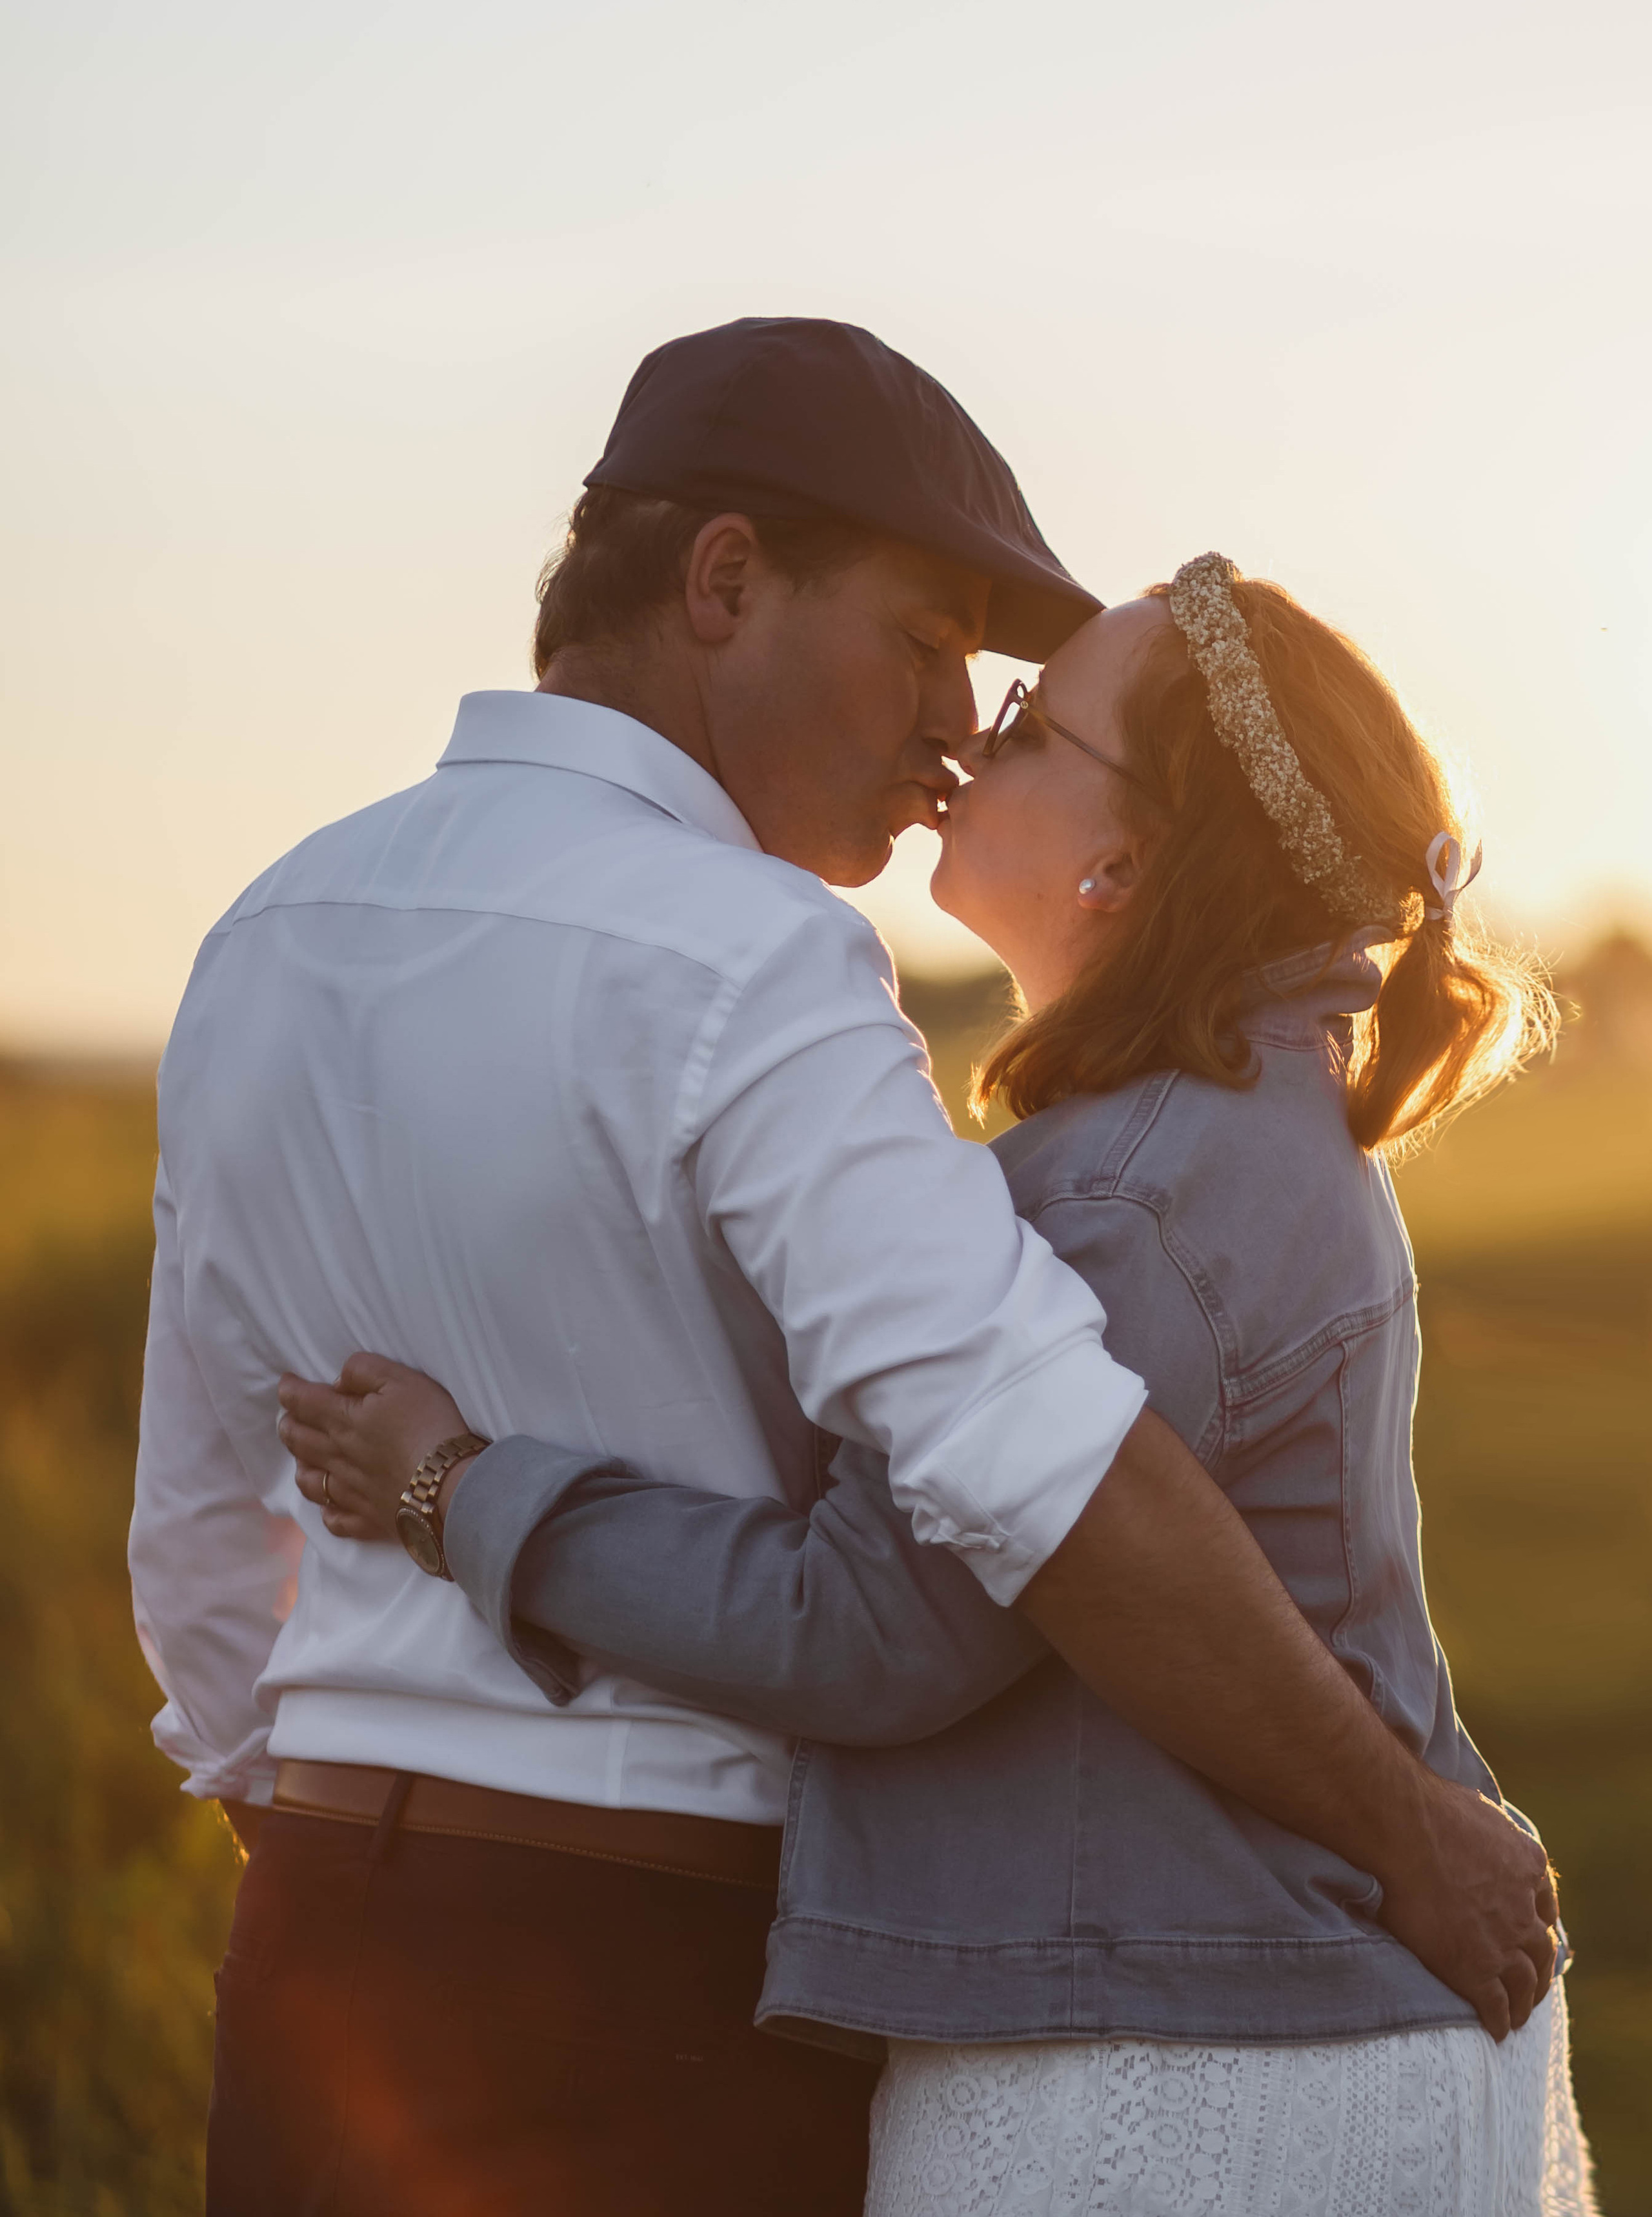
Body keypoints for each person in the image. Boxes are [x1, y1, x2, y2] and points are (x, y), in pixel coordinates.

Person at [130, 318, 1554, 2216]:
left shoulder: (265, 931)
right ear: (725, 583)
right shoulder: (755, 958)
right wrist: (1414, 1833)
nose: (954, 722)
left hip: (323, 1942)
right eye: (925, 642)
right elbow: (1031, 1482)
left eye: (1002, 695)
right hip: (660, 1972)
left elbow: (199, 1521)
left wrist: (329, 1827)